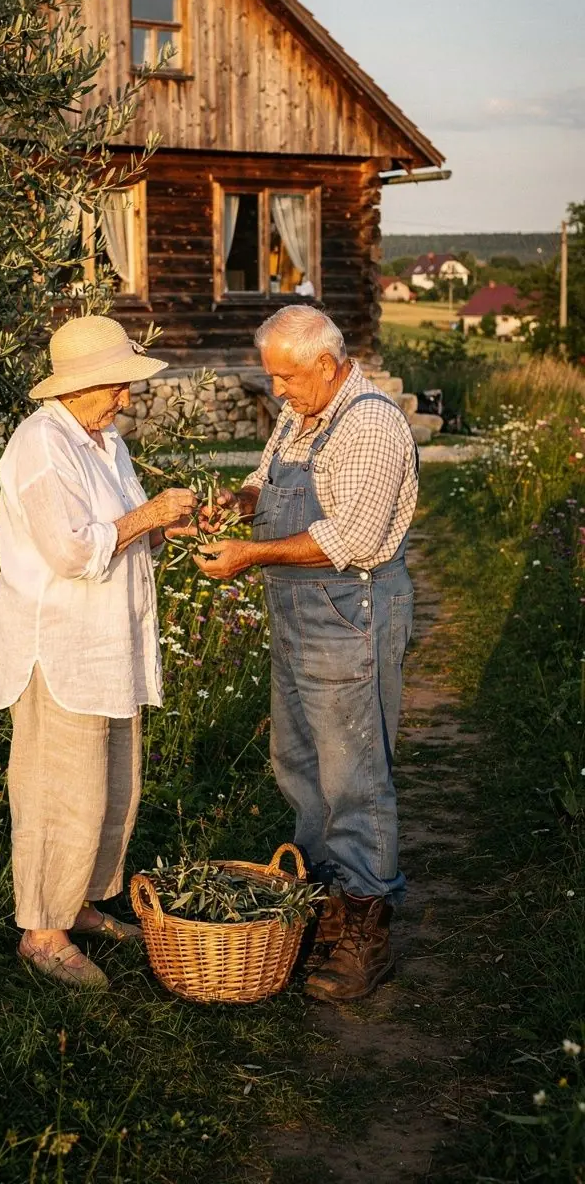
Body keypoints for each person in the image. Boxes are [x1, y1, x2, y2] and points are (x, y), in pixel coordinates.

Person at [196, 305, 417, 1001]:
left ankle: (366, 926)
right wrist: (235, 505)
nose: (278, 392)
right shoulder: (302, 415)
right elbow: (266, 482)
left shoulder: (372, 423)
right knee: (297, 760)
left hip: (349, 608)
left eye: (287, 377)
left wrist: (250, 556)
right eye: (273, 379)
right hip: (298, 608)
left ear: (326, 363)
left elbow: (347, 537)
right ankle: (325, 901)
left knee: (352, 769)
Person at [0, 315, 196, 990]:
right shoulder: (40, 446)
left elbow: (125, 530)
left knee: (109, 786)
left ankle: (74, 905)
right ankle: (40, 933)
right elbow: (73, 550)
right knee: (59, 789)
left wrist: (169, 525)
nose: (126, 398)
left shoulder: (102, 443)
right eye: (116, 385)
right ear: (79, 386)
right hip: (62, 645)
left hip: (109, 644)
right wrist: (148, 517)